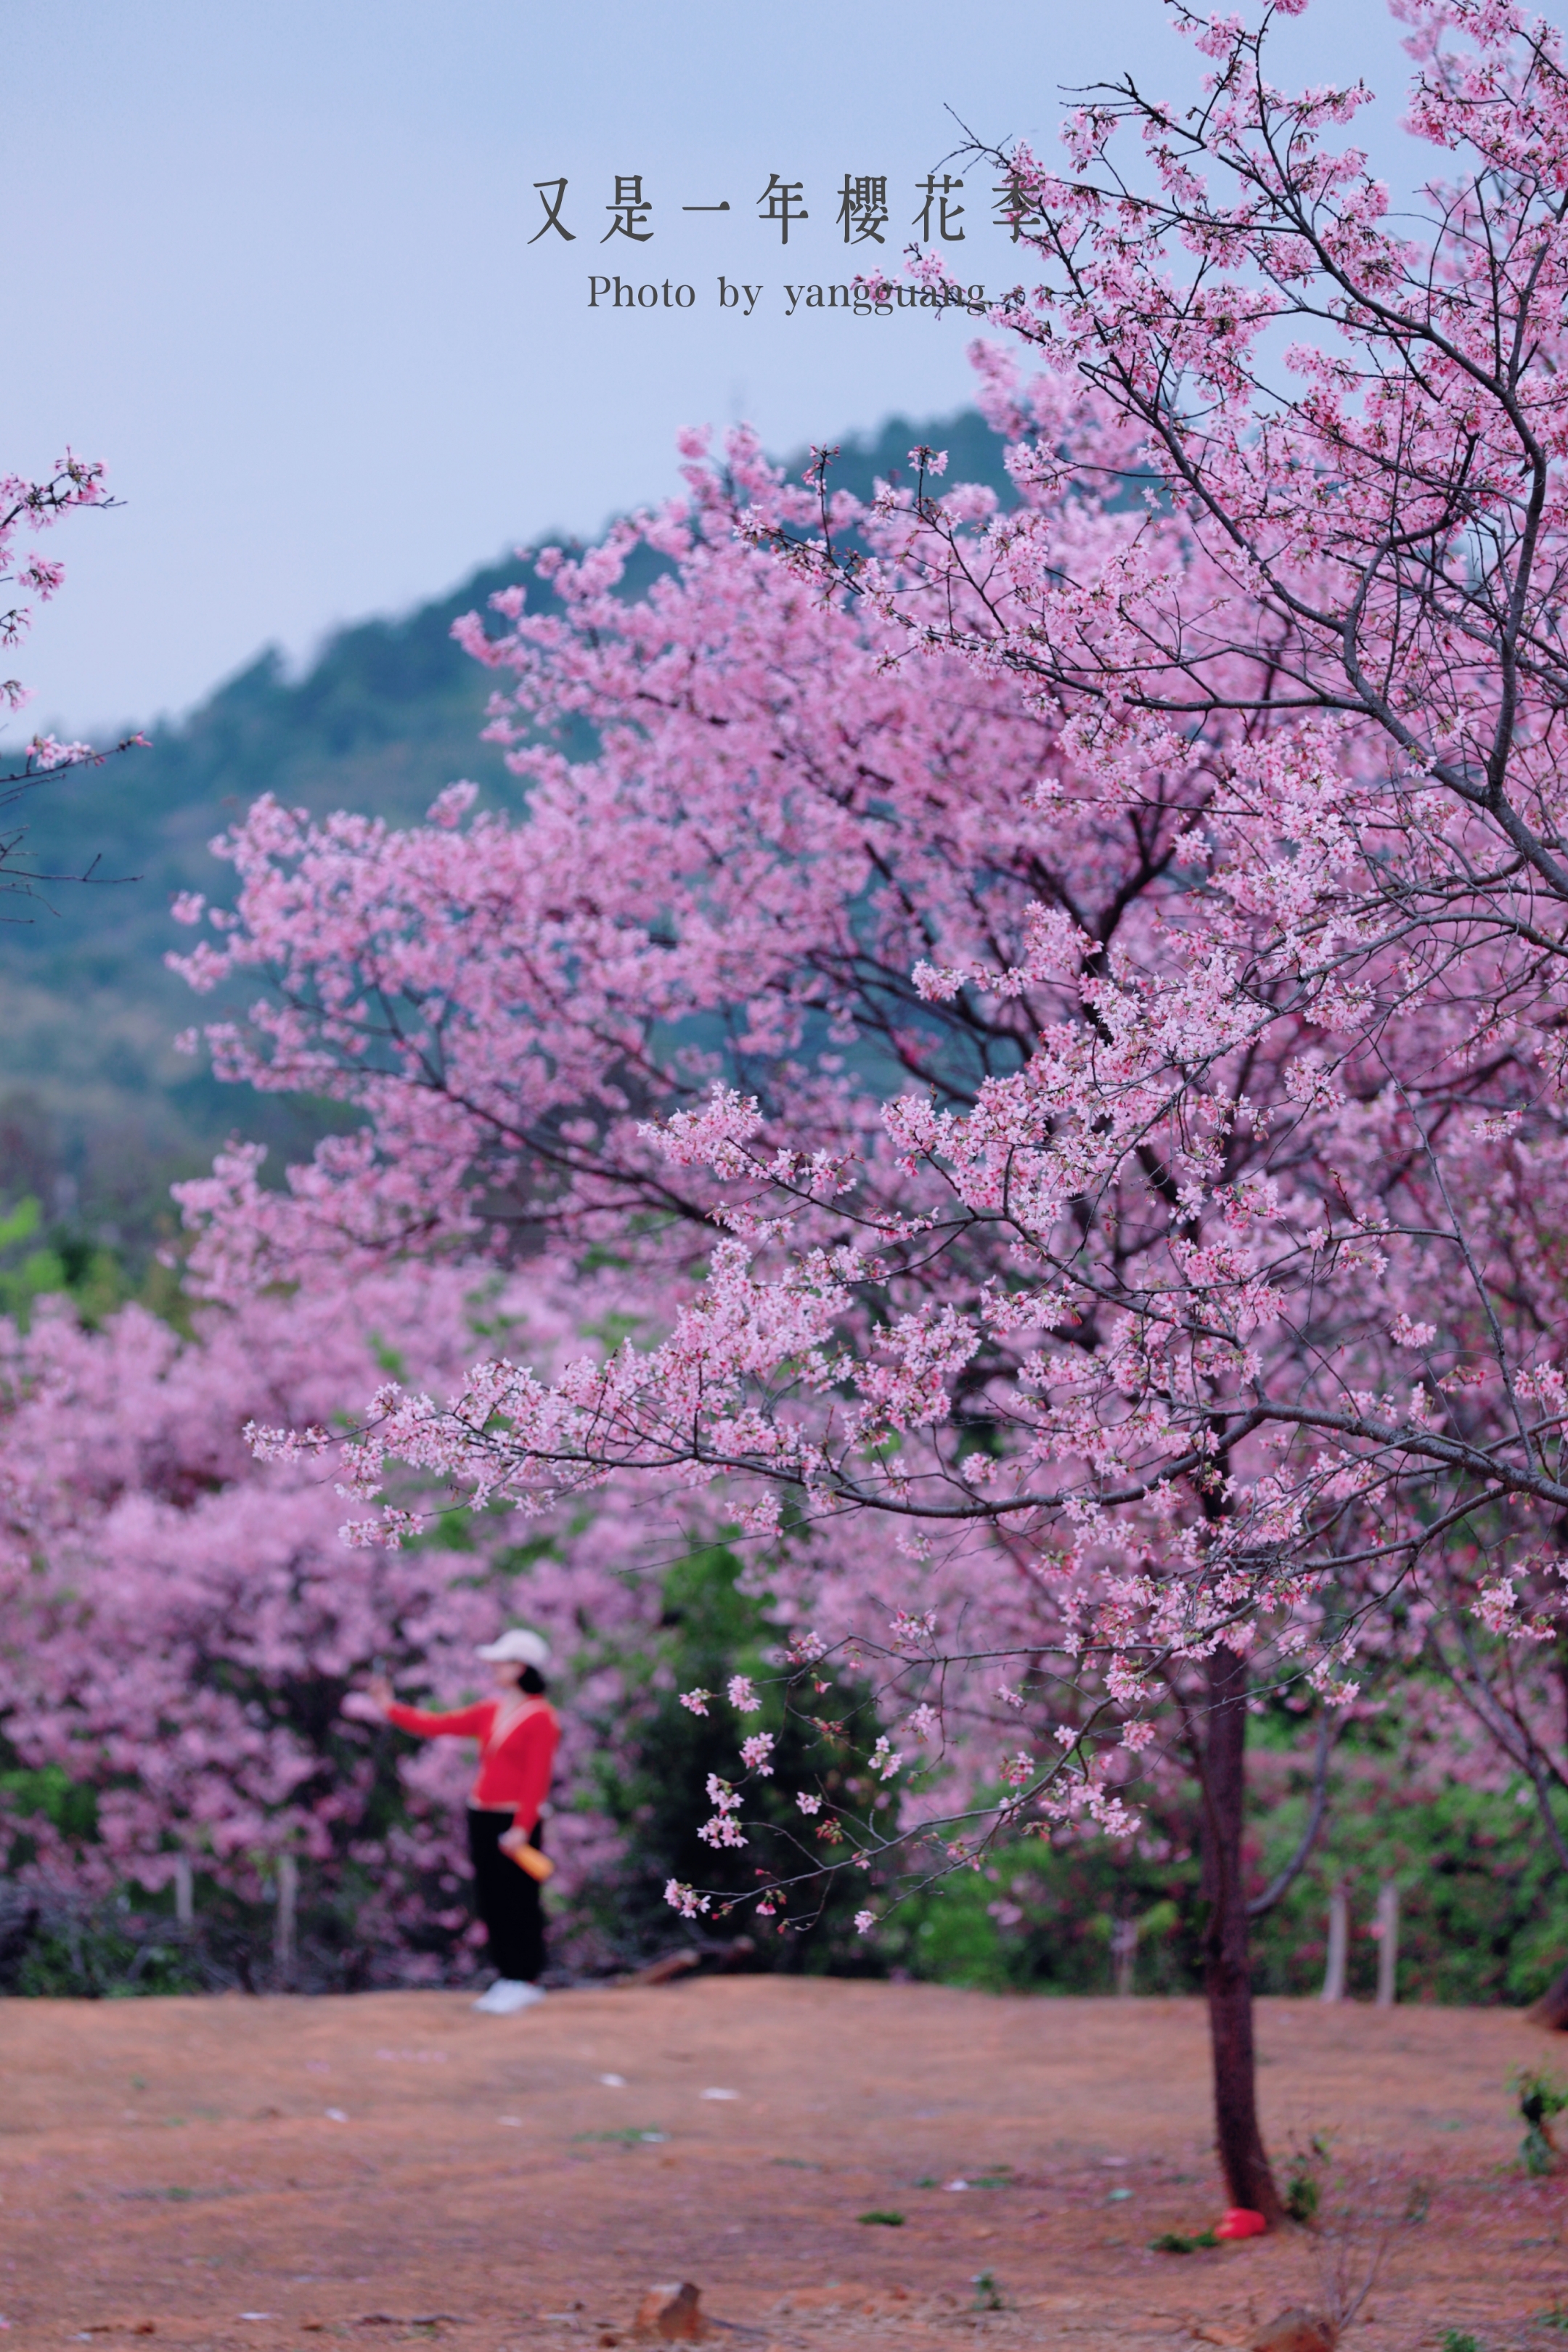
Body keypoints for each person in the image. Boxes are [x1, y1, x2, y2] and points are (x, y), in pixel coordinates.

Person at [343, 1629, 560, 2015]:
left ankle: (525, 1977)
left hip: (516, 1820)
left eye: (503, 1662)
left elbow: (536, 1779)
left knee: (519, 1900)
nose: (494, 1668)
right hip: (483, 1814)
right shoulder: (490, 1710)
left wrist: (523, 1828)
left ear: (523, 1667)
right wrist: (389, 1707)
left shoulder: (541, 1717)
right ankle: (507, 1974)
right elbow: (437, 1724)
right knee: (492, 1897)